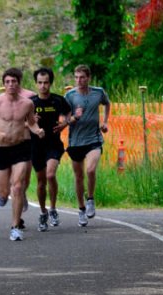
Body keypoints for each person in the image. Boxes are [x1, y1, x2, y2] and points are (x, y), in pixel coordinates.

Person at [0, 68, 45, 241]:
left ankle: (15, 227)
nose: (10, 85)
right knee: (4, 192)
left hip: (21, 147)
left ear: (19, 83)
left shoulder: (27, 104)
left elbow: (31, 123)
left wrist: (38, 131)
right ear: (3, 84)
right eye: (7, 82)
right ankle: (3, 196)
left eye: (13, 81)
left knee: (17, 186)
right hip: (1, 149)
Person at [64, 64, 111, 227]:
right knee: (79, 177)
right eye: (76, 77)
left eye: (82, 77)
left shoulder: (98, 92)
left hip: (93, 139)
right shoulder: (69, 96)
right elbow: (64, 120)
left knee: (90, 169)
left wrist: (105, 122)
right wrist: (74, 118)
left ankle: (90, 199)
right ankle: (81, 209)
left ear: (88, 78)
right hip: (76, 142)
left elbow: (107, 103)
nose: (79, 80)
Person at [29, 67, 71, 231]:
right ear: (36, 83)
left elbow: (69, 113)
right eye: (40, 83)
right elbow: (23, 123)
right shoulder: (31, 103)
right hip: (36, 146)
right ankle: (43, 212)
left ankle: (53, 209)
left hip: (53, 144)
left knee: (51, 174)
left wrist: (64, 123)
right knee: (41, 182)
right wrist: (32, 122)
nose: (43, 86)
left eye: (46, 83)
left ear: (51, 83)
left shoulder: (58, 100)